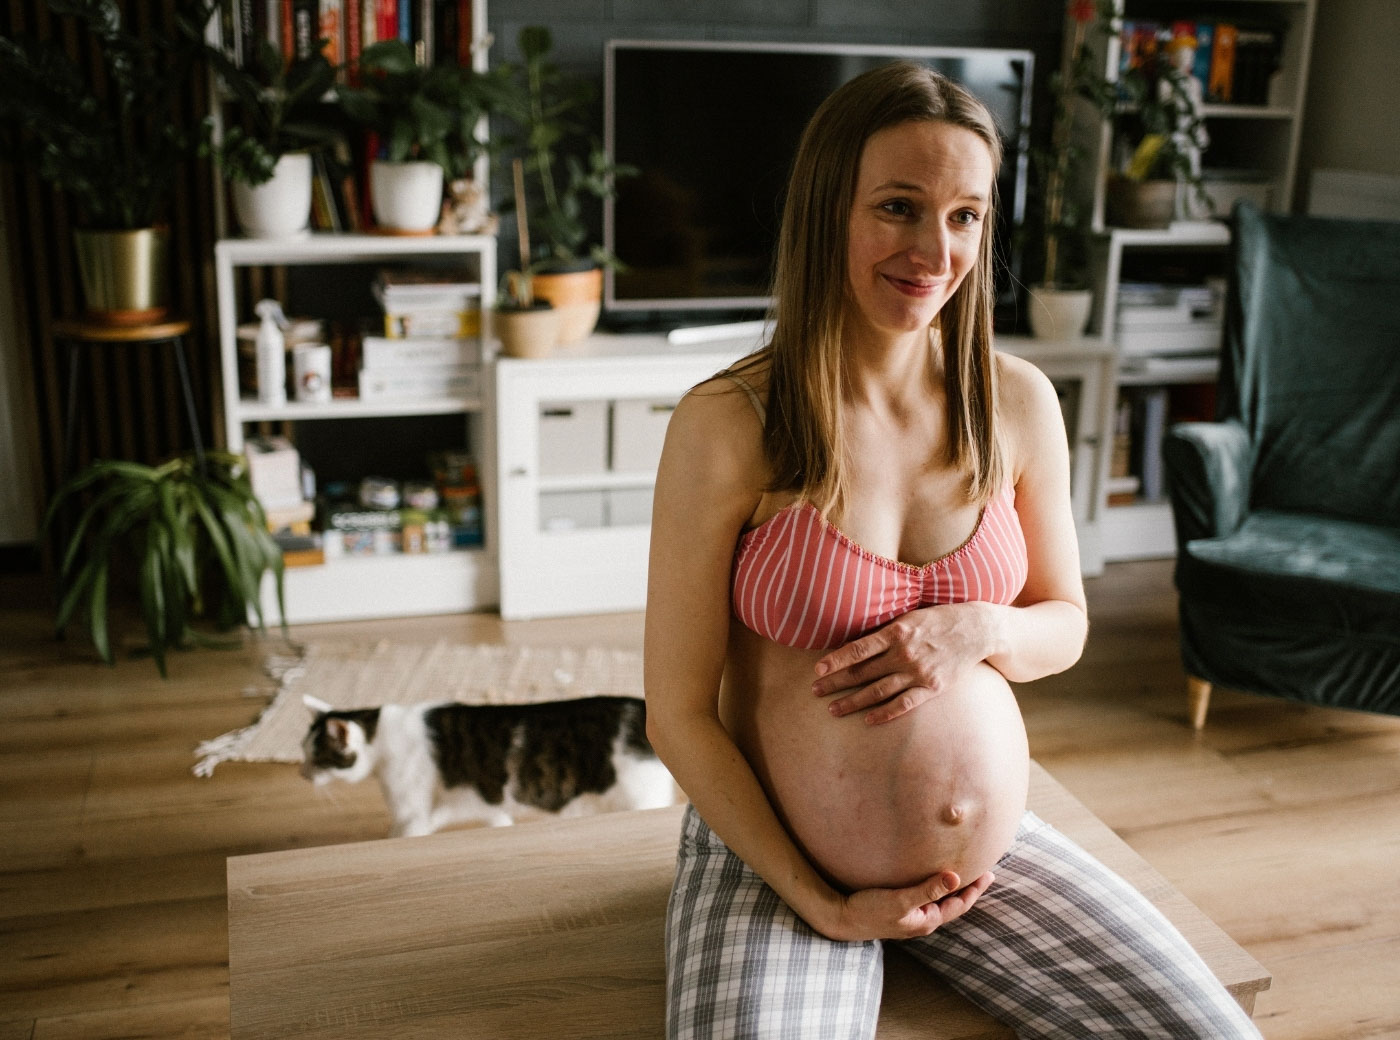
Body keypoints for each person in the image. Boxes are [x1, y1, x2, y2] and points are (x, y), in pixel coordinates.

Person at [643, 61, 1262, 1040]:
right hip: (775, 859)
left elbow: (1063, 623)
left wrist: (978, 629)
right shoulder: (728, 423)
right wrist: (822, 902)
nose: (935, 250)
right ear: (827, 210)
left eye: (965, 215)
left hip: (983, 863)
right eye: (898, 206)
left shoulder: (1015, 402)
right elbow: (677, 714)